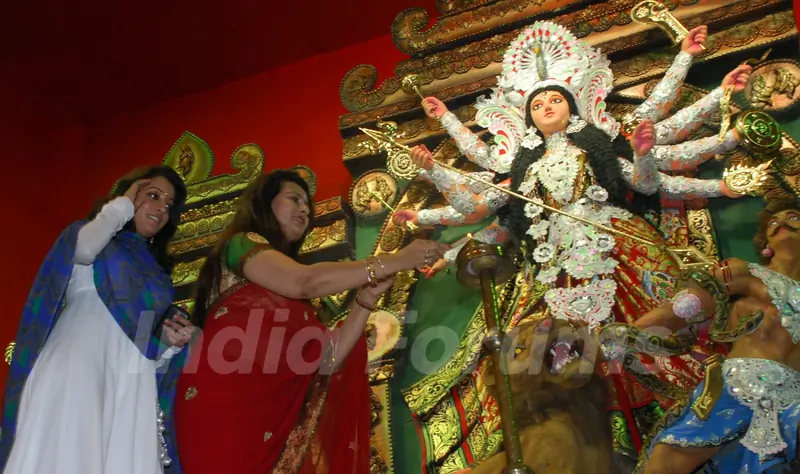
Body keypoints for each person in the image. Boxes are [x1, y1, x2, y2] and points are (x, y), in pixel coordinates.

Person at [392, 20, 753, 462]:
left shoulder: (600, 148)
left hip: (618, 248)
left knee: (648, 336)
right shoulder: (517, 175)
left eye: (555, 98)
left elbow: (651, 178)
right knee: (555, 361)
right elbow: (478, 214)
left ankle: (675, 434)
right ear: (525, 119)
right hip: (552, 268)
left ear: (573, 105)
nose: (546, 105)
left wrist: (688, 68)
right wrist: (430, 183)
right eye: (537, 102)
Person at [172, 170, 448, 474]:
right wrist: (397, 260)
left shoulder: (294, 303)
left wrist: (365, 301)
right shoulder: (242, 243)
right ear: (265, 203)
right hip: (226, 408)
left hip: (275, 418)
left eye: (308, 205)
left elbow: (327, 359)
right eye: (294, 199)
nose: (305, 209)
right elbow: (305, 281)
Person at [0, 166, 192, 474]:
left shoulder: (157, 278)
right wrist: (122, 206)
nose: (161, 208)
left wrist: (169, 344)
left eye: (168, 205)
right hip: (79, 364)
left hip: (129, 383)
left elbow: (142, 346)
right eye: (153, 196)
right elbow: (86, 249)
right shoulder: (91, 236)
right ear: (129, 195)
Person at [634, 199, 800, 473]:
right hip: (738, 387)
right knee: (668, 462)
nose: (780, 221)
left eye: (793, 216)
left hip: (793, 405)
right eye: (772, 222)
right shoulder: (743, 273)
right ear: (765, 244)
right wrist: (633, 332)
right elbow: (686, 307)